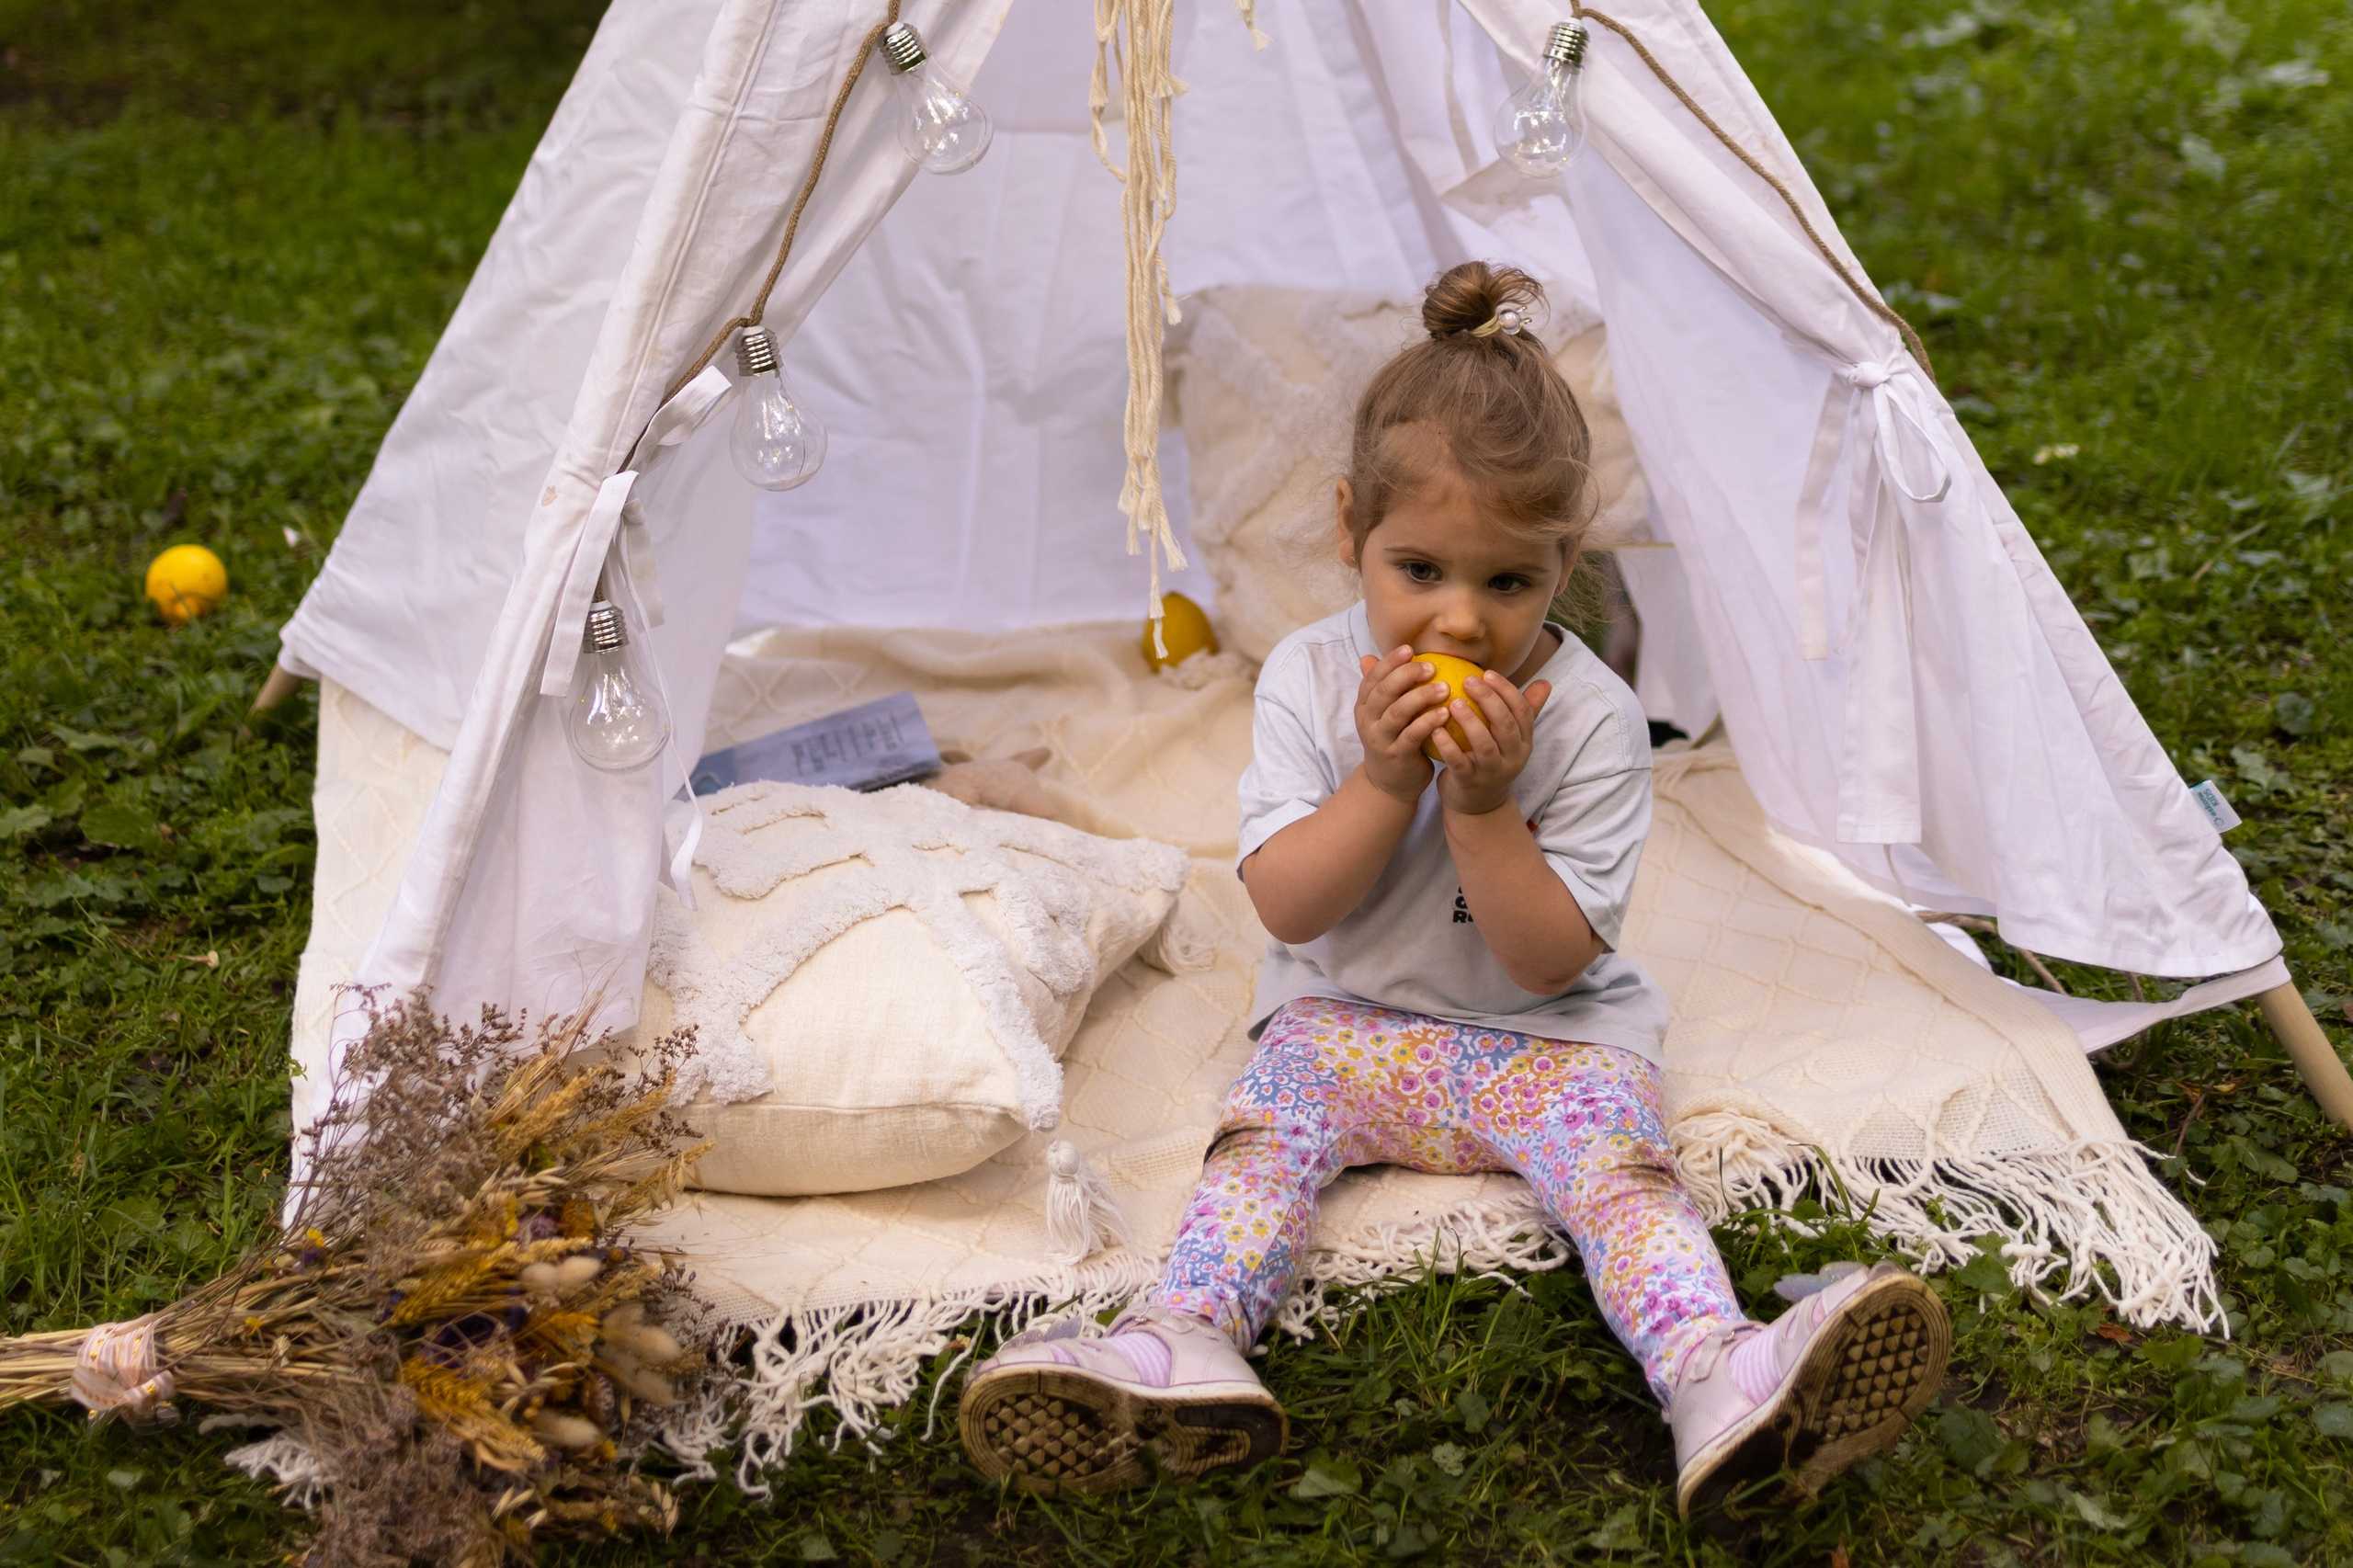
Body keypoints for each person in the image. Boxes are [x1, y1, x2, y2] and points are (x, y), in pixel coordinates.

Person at [957, 262, 1949, 1517]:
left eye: (1508, 583)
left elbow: (1549, 958)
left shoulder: (1590, 719)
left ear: (1564, 562)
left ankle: (1715, 1370)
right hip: (1346, 1024)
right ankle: (1185, 1339)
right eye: (1420, 570)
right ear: (1349, 533)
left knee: (1624, 1177)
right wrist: (1384, 779)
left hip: (1550, 1039)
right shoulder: (1311, 682)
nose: (1462, 623)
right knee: (1259, 1143)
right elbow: (1290, 908)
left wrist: (1483, 806)